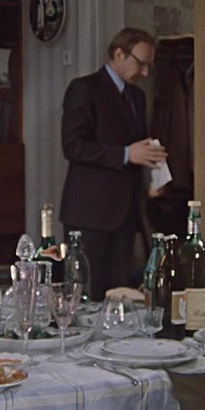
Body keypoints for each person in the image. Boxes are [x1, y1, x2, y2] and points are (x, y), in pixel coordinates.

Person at [60, 27, 168, 300]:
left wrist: (151, 179)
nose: (145, 72)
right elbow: (73, 146)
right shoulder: (84, 89)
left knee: (120, 294)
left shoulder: (137, 97)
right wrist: (126, 154)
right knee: (86, 293)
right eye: (141, 63)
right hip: (89, 213)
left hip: (126, 213)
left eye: (149, 66)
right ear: (119, 53)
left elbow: (136, 148)